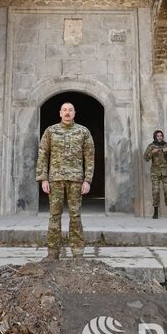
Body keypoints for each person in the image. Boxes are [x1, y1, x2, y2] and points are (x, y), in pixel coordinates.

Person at [36, 101, 95, 259]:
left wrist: (87, 180)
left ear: (75, 113)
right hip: (55, 179)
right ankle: (52, 253)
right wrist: (43, 179)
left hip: (76, 180)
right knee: (54, 215)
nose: (67, 113)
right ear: (60, 113)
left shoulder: (83, 132)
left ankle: (77, 253)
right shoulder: (51, 131)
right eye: (64, 110)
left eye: (70, 110)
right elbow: (43, 154)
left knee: (75, 216)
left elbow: (89, 157)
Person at [144, 129, 167, 219]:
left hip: (166, 172)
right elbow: (145, 157)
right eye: (158, 136)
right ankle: (155, 212)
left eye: (161, 136)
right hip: (155, 172)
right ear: (155, 137)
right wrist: (152, 153)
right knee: (156, 191)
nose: (159, 137)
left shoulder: (166, 145)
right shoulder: (151, 146)